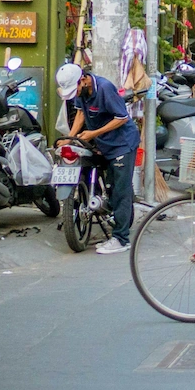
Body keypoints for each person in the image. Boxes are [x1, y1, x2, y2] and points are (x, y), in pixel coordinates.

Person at [56, 62, 140, 255]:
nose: (74, 94)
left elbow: (122, 118)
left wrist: (94, 133)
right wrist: (71, 137)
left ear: (83, 80)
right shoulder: (81, 93)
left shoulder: (104, 88)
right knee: (110, 186)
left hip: (122, 143)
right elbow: (80, 113)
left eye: (75, 88)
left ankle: (121, 238)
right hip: (102, 144)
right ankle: (114, 215)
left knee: (120, 190)